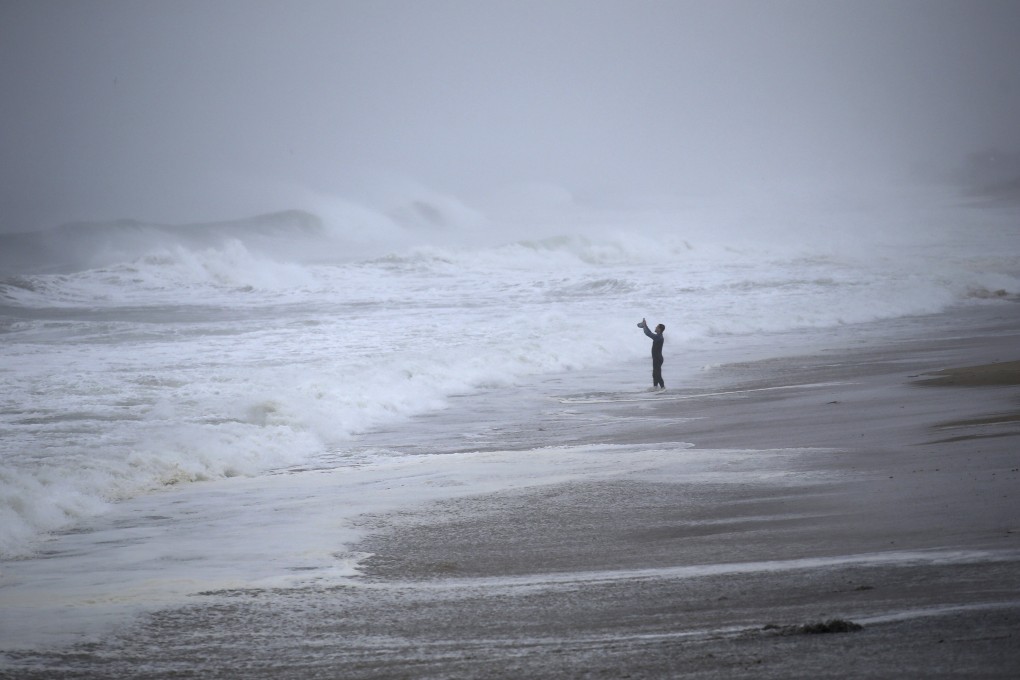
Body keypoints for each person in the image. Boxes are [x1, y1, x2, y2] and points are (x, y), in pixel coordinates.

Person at [637, 318, 665, 389]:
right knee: (654, 374)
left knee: (657, 374)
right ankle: (655, 387)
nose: (655, 327)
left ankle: (662, 387)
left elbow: (648, 333)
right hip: (656, 358)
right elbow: (649, 333)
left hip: (658, 358)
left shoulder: (659, 337)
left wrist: (645, 325)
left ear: (659, 329)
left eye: (657, 326)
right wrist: (645, 326)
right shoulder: (658, 336)